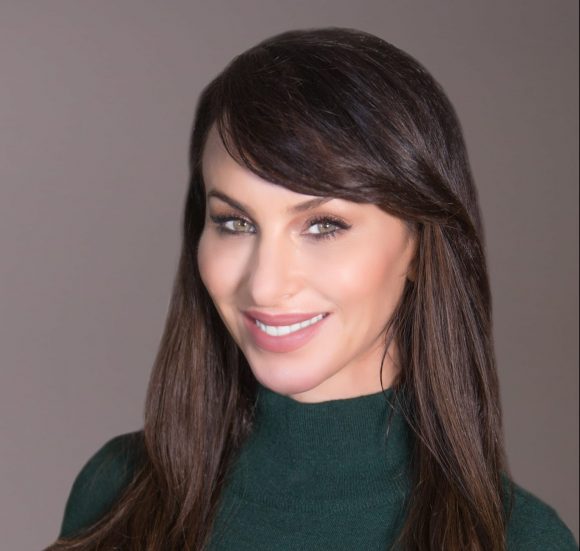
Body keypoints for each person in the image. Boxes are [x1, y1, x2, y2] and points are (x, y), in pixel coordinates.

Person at [45, 27, 578, 551]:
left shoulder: (522, 542)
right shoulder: (116, 493)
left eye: (323, 225)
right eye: (235, 222)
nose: (266, 284)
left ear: (418, 245)